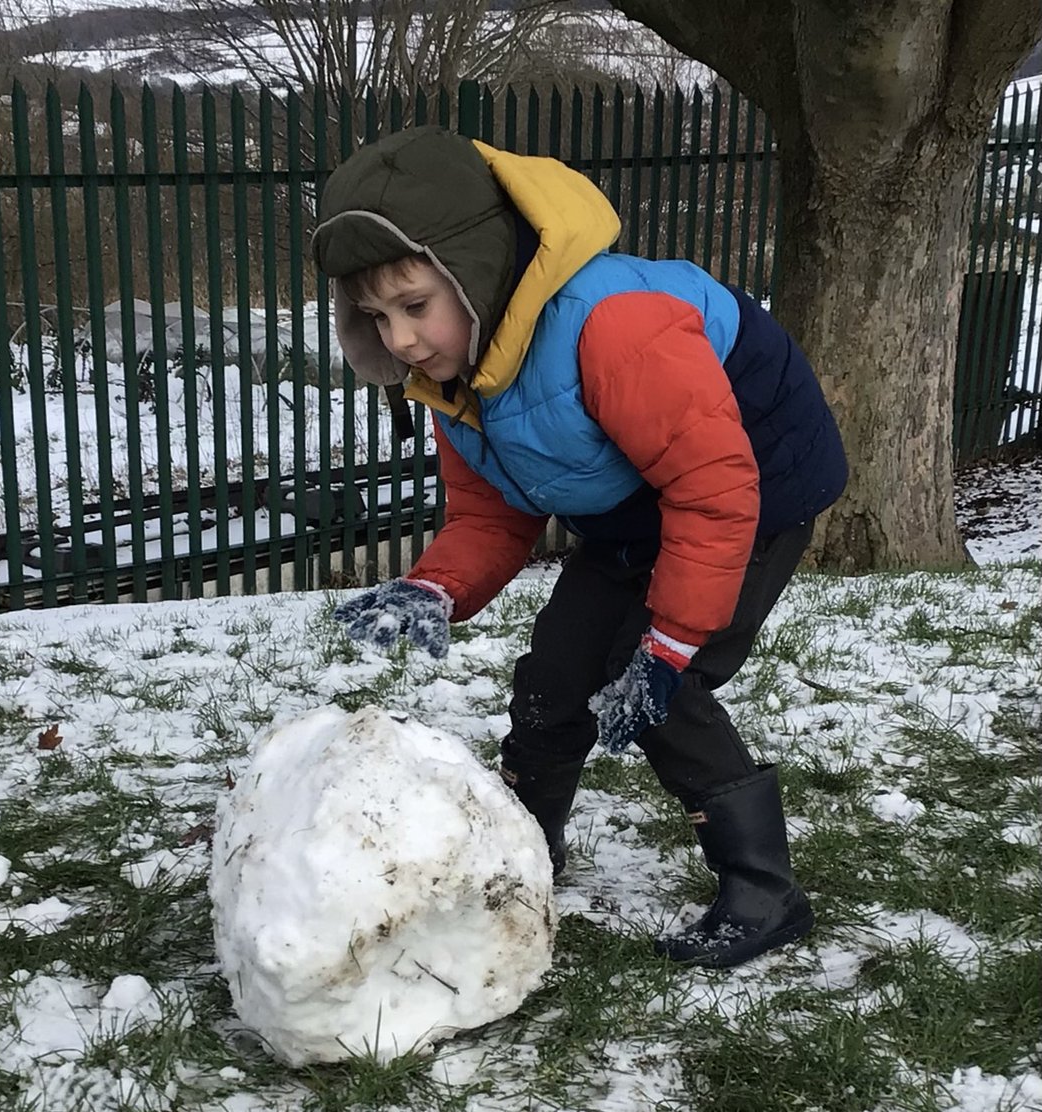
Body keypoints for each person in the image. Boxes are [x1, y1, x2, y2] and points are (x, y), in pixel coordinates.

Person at [311, 125, 847, 970]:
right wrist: (435, 586)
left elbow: (712, 492)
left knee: (653, 679)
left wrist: (670, 642)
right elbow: (491, 514)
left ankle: (763, 890)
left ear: (474, 270)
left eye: (415, 306)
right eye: (377, 317)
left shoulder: (616, 327)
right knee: (559, 669)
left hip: (749, 491)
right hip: (630, 504)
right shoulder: (458, 378)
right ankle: (523, 851)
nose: (403, 340)